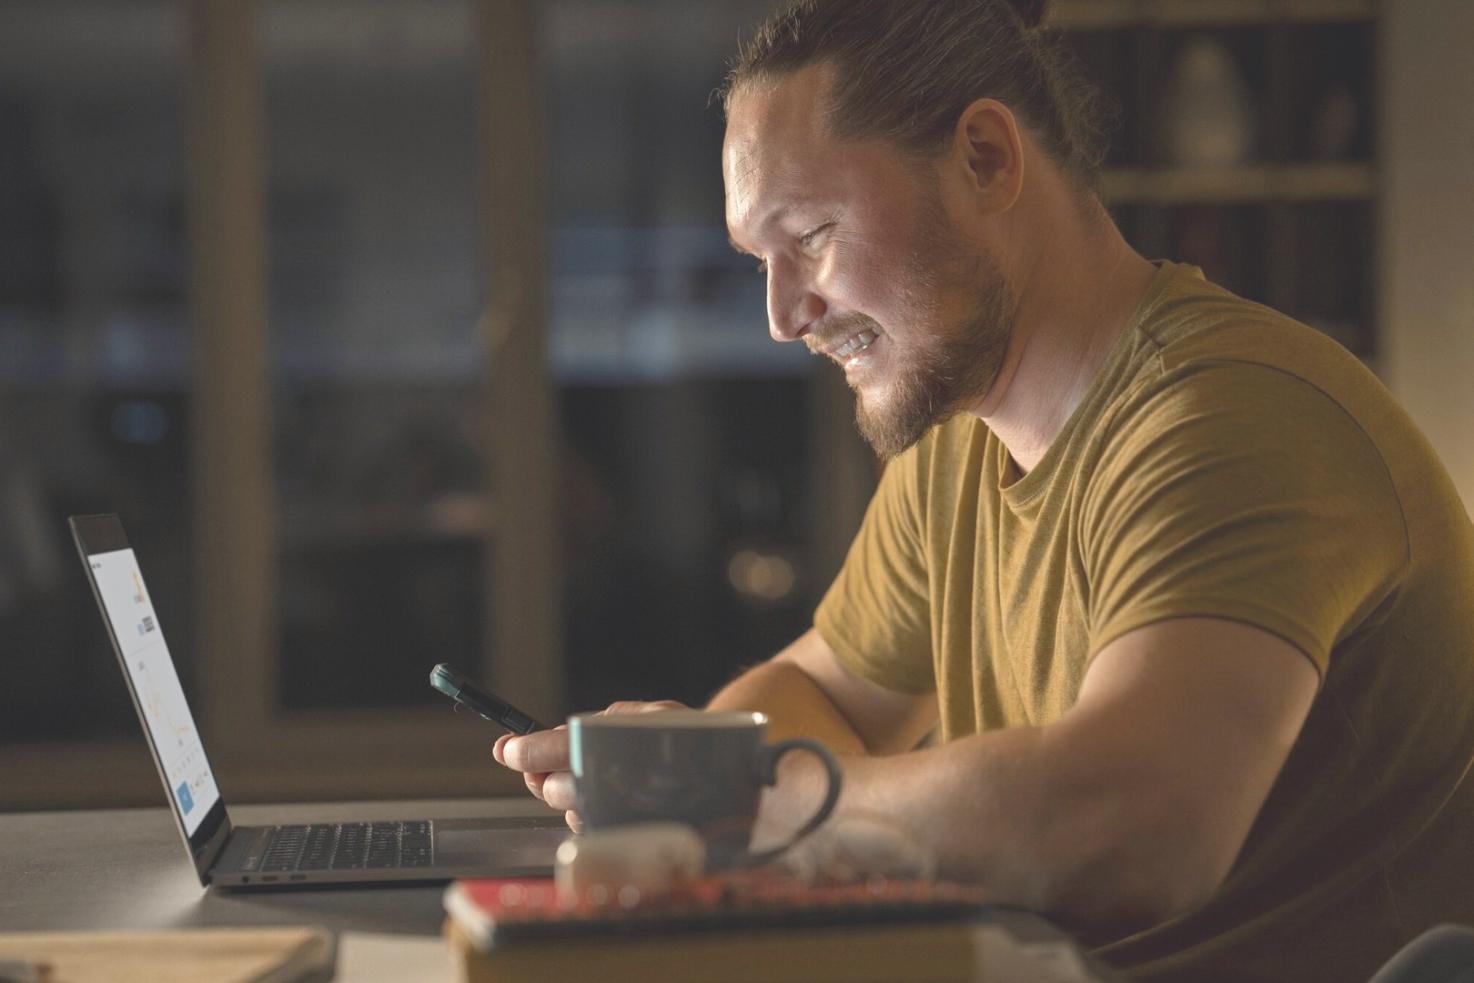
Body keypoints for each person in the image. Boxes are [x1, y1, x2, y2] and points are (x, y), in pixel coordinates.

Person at [495, 1, 1474, 979]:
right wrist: (712, 776)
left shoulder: (1231, 420)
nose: (782, 317)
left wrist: (749, 800)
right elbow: (801, 690)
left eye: (813, 234)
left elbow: (1137, 823)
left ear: (985, 159)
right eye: (762, 262)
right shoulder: (955, 446)